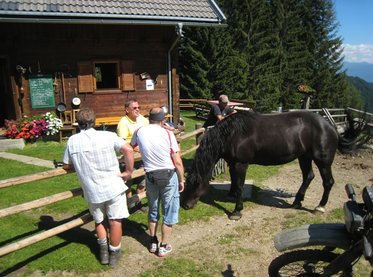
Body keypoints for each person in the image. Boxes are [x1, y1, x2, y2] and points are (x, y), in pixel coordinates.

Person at [63, 107, 134, 267]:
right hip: (113, 186)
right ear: (94, 122)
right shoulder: (108, 136)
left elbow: (67, 165)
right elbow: (128, 149)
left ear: (78, 123)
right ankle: (114, 253)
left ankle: (103, 252)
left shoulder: (72, 141)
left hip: (91, 189)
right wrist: (128, 171)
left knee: (99, 220)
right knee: (115, 220)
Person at [131, 107, 185, 257]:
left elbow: (132, 146)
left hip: (150, 176)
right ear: (163, 120)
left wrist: (144, 150)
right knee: (169, 209)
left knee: (153, 209)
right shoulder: (168, 134)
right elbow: (177, 161)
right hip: (168, 176)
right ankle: (164, 245)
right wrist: (182, 179)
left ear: (149, 118)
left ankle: (153, 241)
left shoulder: (139, 131)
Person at [117, 99, 149, 201]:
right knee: (129, 182)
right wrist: (134, 148)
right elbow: (121, 144)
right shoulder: (123, 123)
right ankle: (130, 203)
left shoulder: (141, 119)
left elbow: (150, 129)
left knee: (143, 181)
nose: (138, 110)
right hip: (129, 158)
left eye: (139, 107)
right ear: (127, 110)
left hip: (142, 156)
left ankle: (138, 202)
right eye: (134, 108)